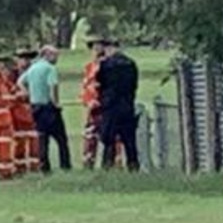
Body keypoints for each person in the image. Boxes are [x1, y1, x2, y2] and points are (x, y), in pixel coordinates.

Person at [18, 45, 71, 173]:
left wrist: (27, 93)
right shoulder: (50, 68)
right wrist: (56, 103)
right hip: (49, 107)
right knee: (61, 139)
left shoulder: (32, 69)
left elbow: (20, 82)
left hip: (35, 107)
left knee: (42, 139)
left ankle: (44, 167)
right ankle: (65, 165)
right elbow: (53, 86)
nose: (57, 58)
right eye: (55, 55)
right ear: (47, 55)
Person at [97, 39, 141, 171]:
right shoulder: (131, 64)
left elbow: (101, 84)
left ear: (109, 49)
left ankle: (107, 165)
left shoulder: (106, 65)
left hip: (111, 106)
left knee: (108, 138)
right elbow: (134, 85)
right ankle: (133, 165)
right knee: (129, 139)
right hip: (127, 105)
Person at [81, 37, 124, 169]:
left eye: (99, 47)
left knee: (113, 135)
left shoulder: (110, 66)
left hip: (107, 106)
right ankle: (88, 162)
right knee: (90, 136)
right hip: (92, 108)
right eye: (94, 48)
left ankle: (114, 163)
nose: (97, 51)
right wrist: (88, 100)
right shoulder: (89, 67)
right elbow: (85, 87)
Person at [8, 50, 41, 174]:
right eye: (23, 58)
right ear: (17, 60)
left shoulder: (35, 72)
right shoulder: (12, 75)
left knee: (34, 139)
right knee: (19, 140)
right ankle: (19, 167)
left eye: (28, 59)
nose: (26, 61)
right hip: (17, 111)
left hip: (33, 109)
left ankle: (35, 165)